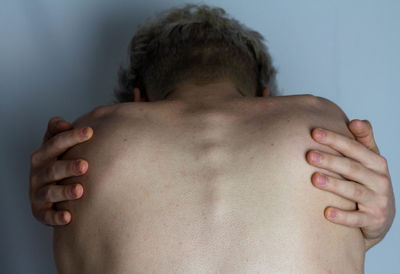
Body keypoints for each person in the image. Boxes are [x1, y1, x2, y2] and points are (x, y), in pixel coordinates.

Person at [29, 4, 395, 273]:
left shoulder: (87, 140)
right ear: (263, 97)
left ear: (139, 100)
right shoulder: (323, 123)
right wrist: (379, 226)